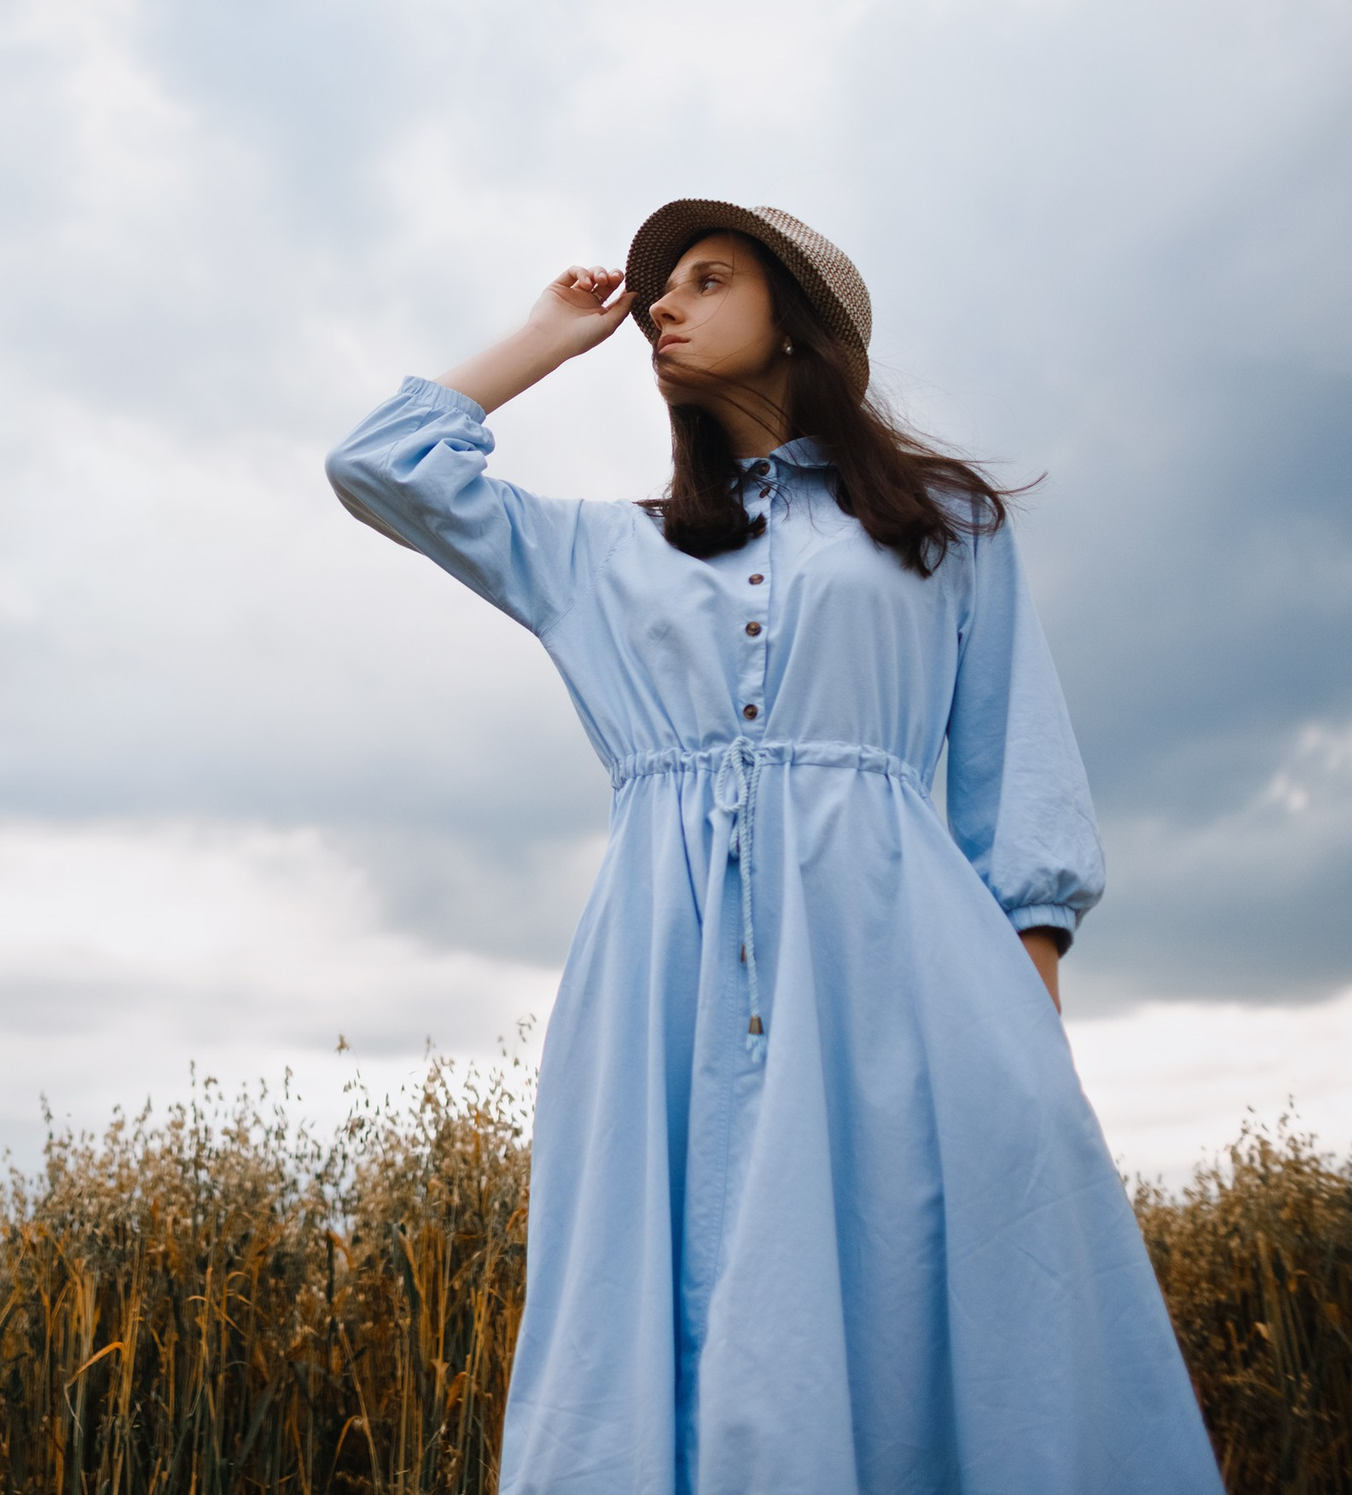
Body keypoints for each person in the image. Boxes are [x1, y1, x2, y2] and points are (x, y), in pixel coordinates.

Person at [323, 202, 1223, 1495]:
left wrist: (1032, 1032)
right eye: (659, 289)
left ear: (797, 316)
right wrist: (544, 337)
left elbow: (1012, 770)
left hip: (901, 962)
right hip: (661, 976)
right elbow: (380, 465)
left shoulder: (946, 526)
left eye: (707, 278)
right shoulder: (599, 550)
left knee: (917, 1289)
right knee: (651, 1280)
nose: (664, 309)